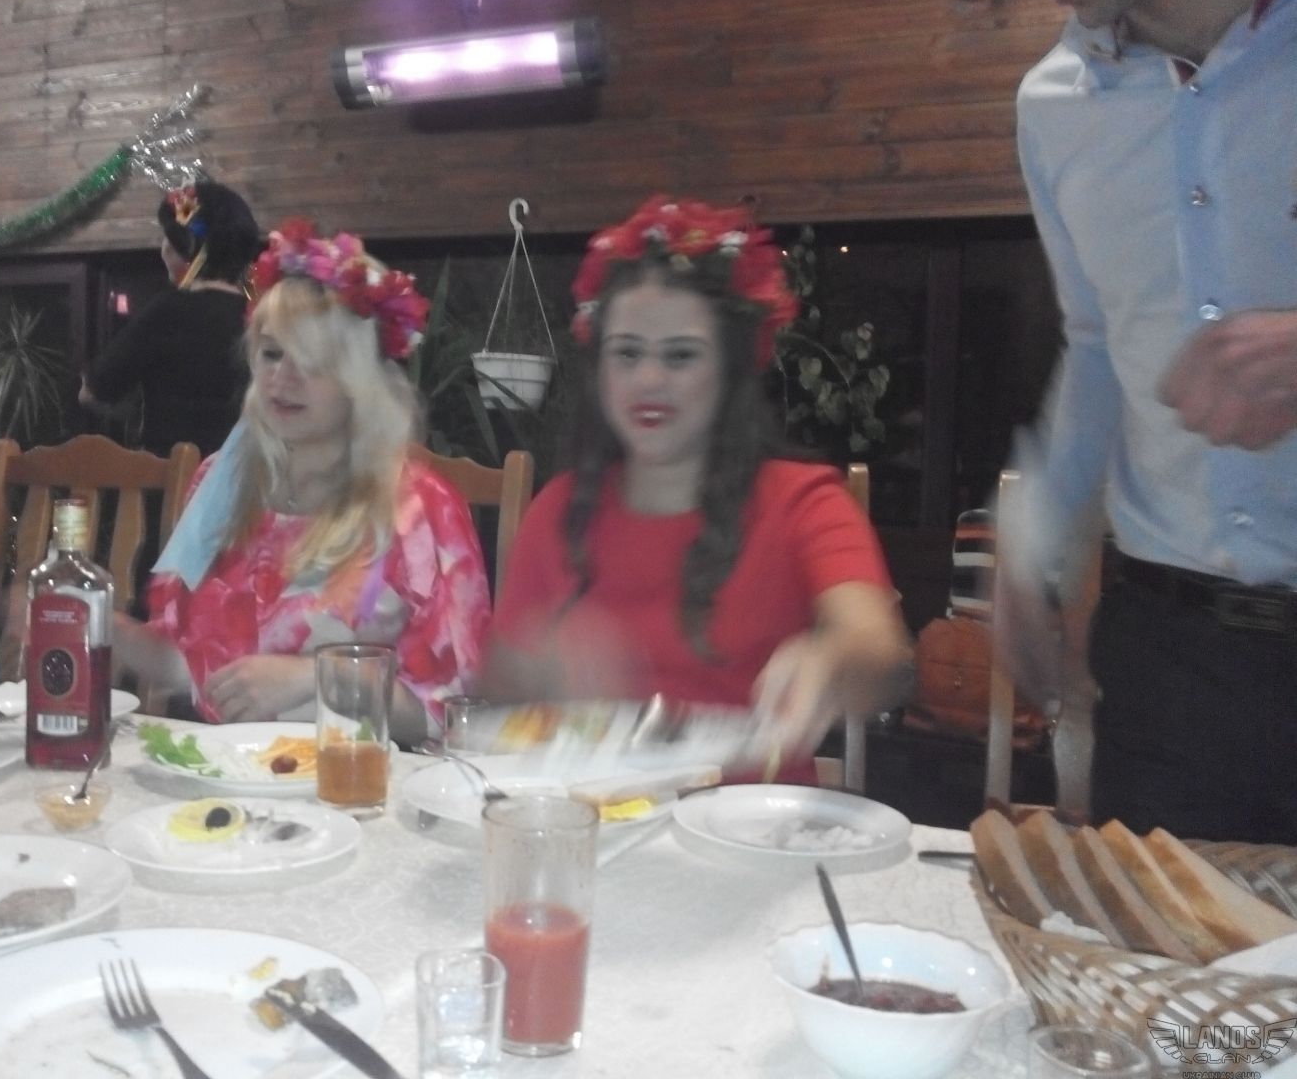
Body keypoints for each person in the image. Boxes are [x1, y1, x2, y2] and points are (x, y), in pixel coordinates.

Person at [941, 0, 1297, 841]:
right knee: (1157, 947)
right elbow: (1098, 340)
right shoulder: (1054, 104)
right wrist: (1036, 542)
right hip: (1169, 668)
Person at [480, 197, 911, 781]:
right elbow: (496, 693)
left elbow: (883, 655)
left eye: (681, 356)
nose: (648, 379)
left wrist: (830, 660)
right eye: (627, 353)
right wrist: (535, 667)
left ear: (732, 370)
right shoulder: (557, 507)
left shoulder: (803, 501)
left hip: (749, 824)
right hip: (589, 816)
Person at [115, 218, 491, 742]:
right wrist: (103, 626)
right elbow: (187, 666)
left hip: (356, 776)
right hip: (221, 771)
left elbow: (454, 710)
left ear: (360, 379)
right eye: (272, 353)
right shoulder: (218, 481)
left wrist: (316, 677)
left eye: (313, 362)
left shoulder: (418, 508)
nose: (282, 378)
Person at [80, 179, 261, 456]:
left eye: (168, 238)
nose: (163, 247)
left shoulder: (168, 310)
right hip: (245, 471)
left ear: (187, 248)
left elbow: (92, 392)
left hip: (174, 474)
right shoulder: (261, 316)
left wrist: (139, 415)